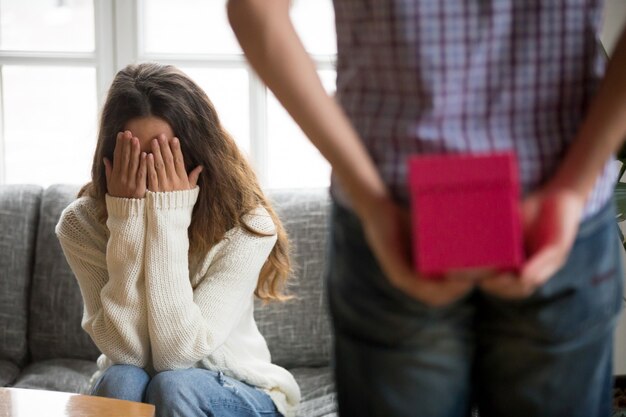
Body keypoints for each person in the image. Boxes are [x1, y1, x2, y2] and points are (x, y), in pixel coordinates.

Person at [227, 1, 626, 416]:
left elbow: (256, 13)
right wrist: (571, 189)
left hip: (395, 212)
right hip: (554, 211)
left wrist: (374, 204)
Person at [55, 62, 300, 417]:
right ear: (112, 157)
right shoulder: (81, 225)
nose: (153, 170)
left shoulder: (247, 224)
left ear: (198, 152)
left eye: (166, 156)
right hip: (140, 382)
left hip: (237, 386)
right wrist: (128, 219)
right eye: (137, 157)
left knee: (172, 384)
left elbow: (177, 354)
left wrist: (168, 216)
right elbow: (128, 353)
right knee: (121, 379)